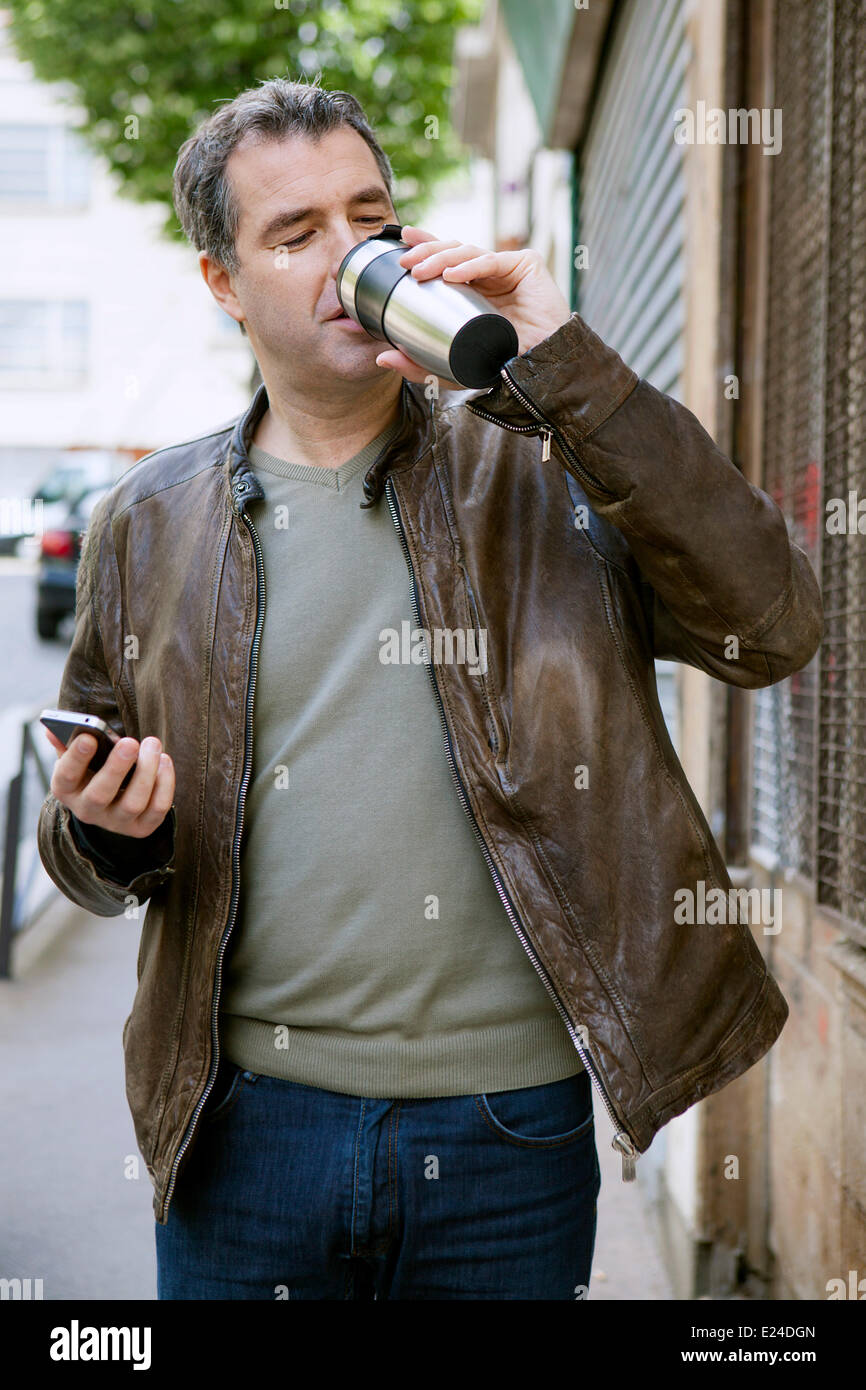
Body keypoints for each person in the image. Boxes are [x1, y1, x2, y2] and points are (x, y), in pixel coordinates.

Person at [37, 77, 823, 1301]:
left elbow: (771, 623)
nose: (345, 254)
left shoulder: (540, 465)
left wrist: (564, 363)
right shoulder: (150, 519)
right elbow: (84, 828)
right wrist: (102, 826)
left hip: (507, 1134)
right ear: (221, 282)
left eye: (368, 217)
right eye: (292, 236)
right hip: (242, 1138)